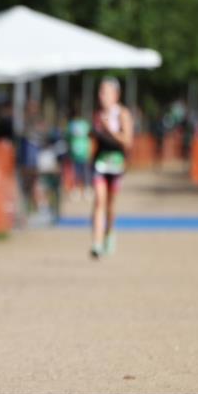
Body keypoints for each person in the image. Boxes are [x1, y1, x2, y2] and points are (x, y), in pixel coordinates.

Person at [90, 77, 134, 259]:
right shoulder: (97, 115)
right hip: (100, 164)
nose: (101, 96)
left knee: (110, 204)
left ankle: (109, 233)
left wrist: (110, 130)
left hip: (116, 164)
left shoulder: (122, 114)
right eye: (100, 92)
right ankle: (97, 242)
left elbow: (128, 141)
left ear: (116, 95)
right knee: (99, 201)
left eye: (105, 92)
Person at [67, 111, 92, 199]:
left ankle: (85, 190)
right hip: (77, 153)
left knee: (82, 173)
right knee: (78, 173)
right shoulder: (83, 124)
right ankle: (79, 190)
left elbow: (68, 138)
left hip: (81, 153)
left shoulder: (72, 125)